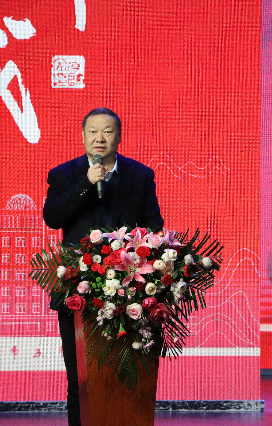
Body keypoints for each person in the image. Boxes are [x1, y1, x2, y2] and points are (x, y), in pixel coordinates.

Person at [42, 107, 164, 426]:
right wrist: (86, 183)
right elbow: (52, 217)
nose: (100, 138)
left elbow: (154, 225)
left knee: (129, 376)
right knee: (81, 380)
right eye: (93, 131)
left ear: (118, 137)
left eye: (107, 131)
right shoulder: (63, 175)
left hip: (130, 292)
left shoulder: (140, 175)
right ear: (83, 136)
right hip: (79, 290)